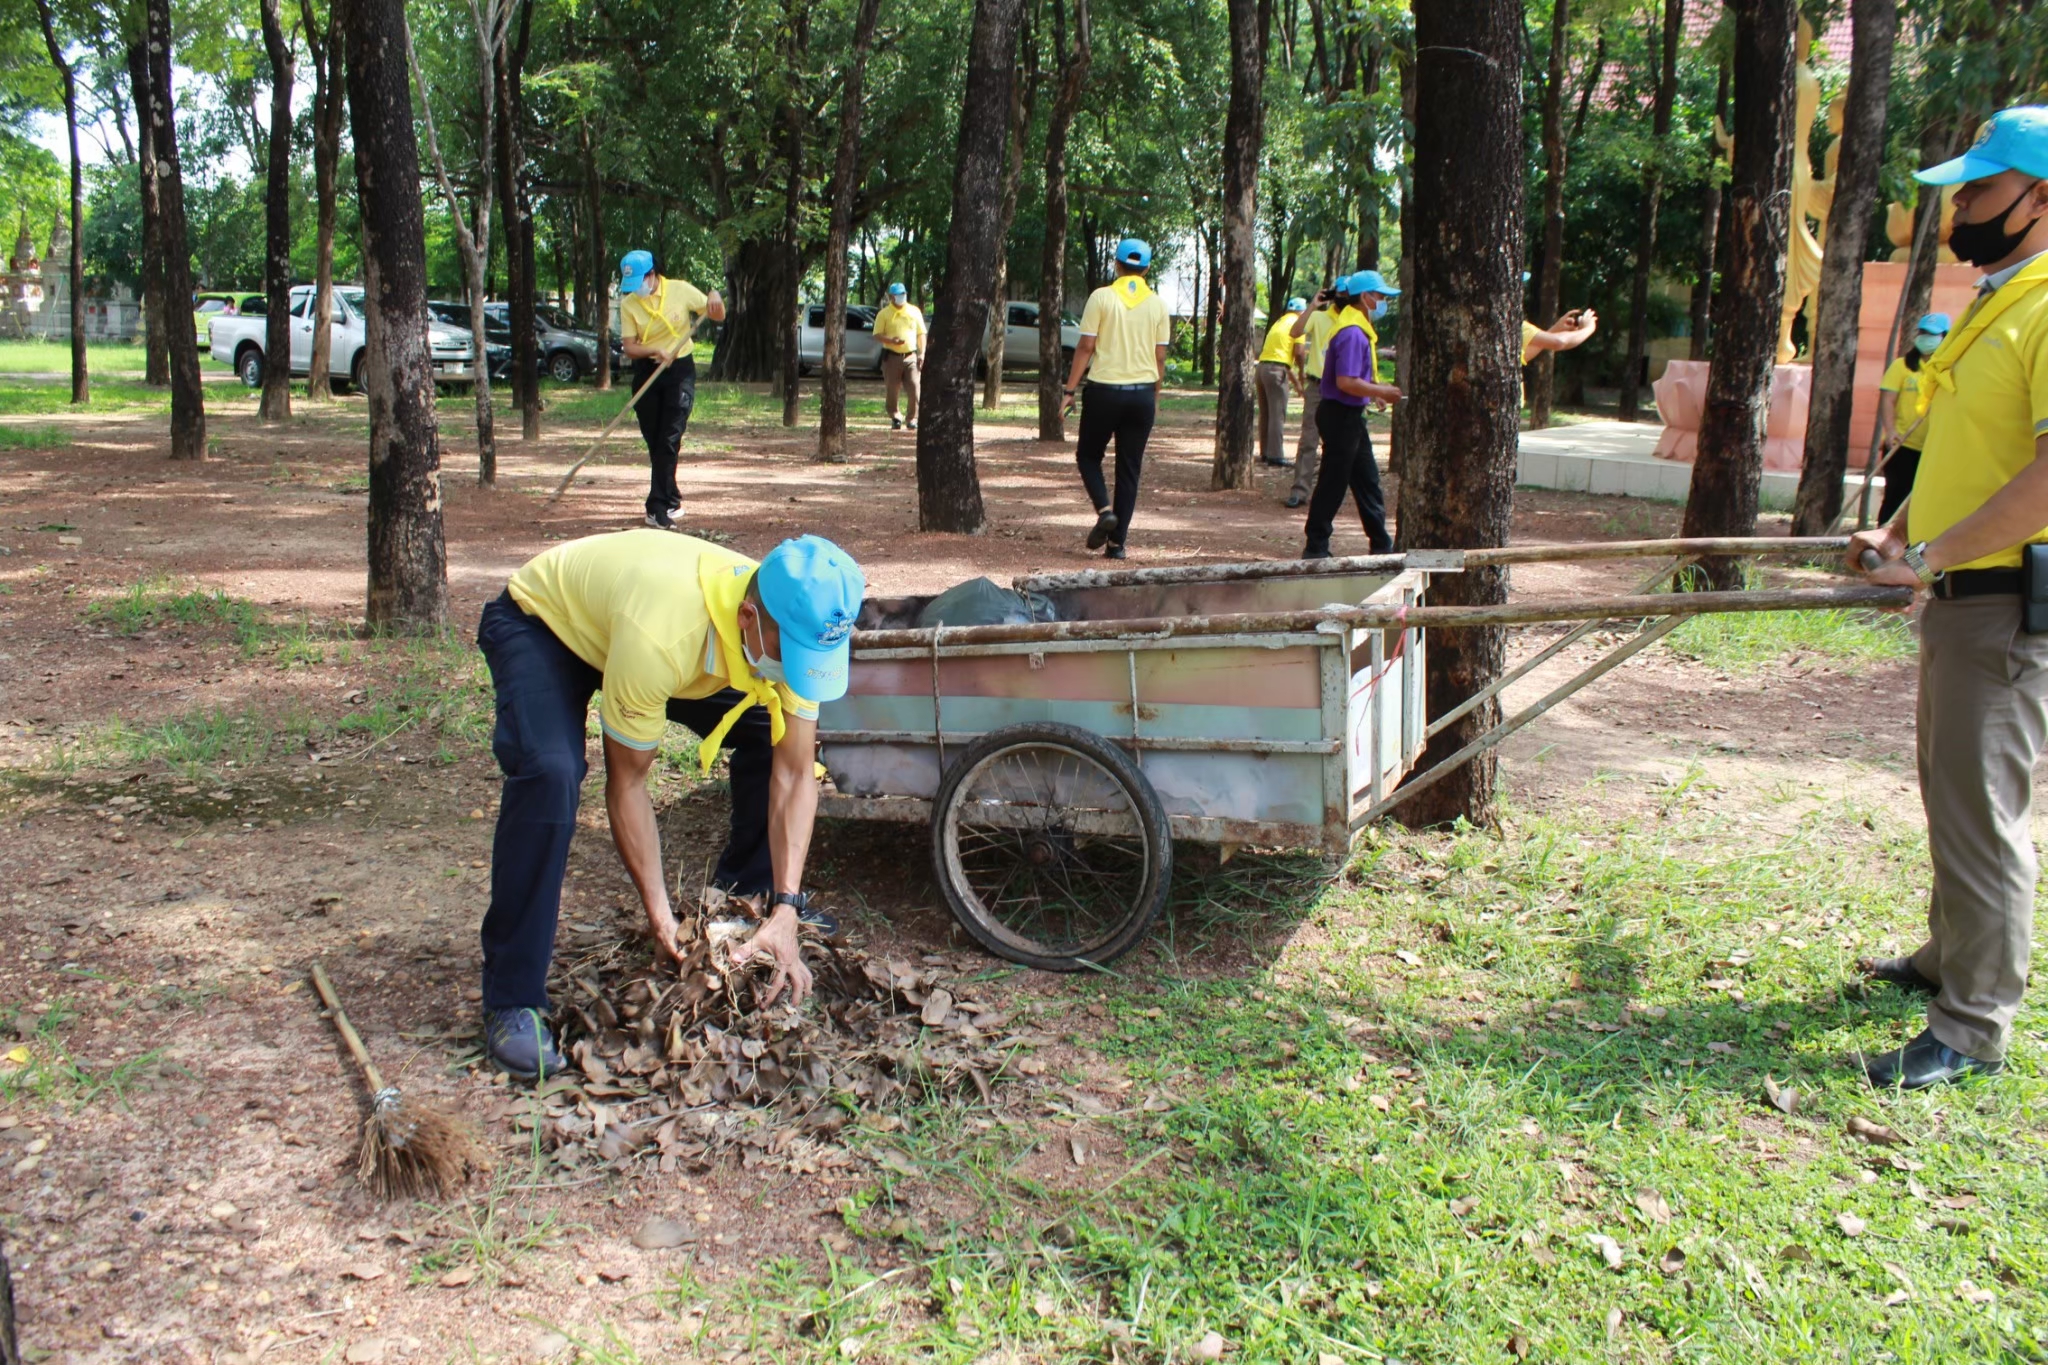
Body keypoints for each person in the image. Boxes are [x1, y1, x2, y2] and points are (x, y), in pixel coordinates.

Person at [473, 529, 865, 1079]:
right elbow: (628, 783)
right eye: (791, 656)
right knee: (550, 773)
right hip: (547, 626)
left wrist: (787, 906)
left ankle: (748, 899)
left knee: (767, 730)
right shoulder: (663, 632)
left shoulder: (797, 620)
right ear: (748, 618)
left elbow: (797, 770)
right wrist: (662, 918)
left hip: (642, 629)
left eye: (812, 659)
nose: (801, 671)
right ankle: (512, 998)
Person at [1849, 105, 2048, 1090]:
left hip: (2004, 600)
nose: (1961, 207)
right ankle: (1945, 959)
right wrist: (1897, 533)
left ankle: (1971, 1024)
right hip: (1963, 594)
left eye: (1980, 189)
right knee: (1951, 790)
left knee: (1983, 810)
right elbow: (1959, 451)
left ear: (2039, 196)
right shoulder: (1996, 301)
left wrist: (1925, 557)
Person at [1061, 236, 1172, 560]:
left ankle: (1105, 510)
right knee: (1129, 469)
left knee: (1088, 456)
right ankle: (1117, 545)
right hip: (1142, 395)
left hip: (1104, 392)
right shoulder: (1158, 305)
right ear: (1147, 269)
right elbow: (1160, 356)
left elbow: (1086, 347)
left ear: (1116, 265)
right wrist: (1156, 394)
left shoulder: (1101, 297)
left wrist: (1069, 390)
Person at [619, 250, 726, 531]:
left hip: (679, 371)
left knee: (669, 437)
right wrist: (655, 349)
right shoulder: (629, 305)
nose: (636, 290)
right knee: (656, 440)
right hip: (647, 371)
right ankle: (672, 496)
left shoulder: (680, 290)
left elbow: (716, 314)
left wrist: (714, 296)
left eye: (639, 282)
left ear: (652, 274)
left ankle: (656, 507)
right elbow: (630, 347)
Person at [1301, 271, 1402, 559]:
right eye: (1380, 296)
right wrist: (1380, 391)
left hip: (1350, 415)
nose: (1383, 302)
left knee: (1367, 480)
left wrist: (1373, 391)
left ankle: (1381, 544)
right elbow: (1346, 381)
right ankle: (1316, 547)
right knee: (1333, 482)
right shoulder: (1352, 333)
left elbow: (1355, 378)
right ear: (1365, 297)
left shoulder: (1356, 328)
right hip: (1340, 416)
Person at [1874, 313, 1954, 522]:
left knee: (1924, 503)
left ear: (1945, 337)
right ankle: (1884, 538)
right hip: (1902, 444)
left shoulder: (1948, 370)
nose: (1926, 338)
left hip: (1932, 448)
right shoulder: (1901, 366)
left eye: (1933, 334)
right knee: (1895, 498)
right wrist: (1891, 431)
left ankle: (1914, 543)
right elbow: (1888, 400)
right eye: (1923, 332)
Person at [1286, 282, 1344, 509]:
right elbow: (1295, 332)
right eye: (1338, 294)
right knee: (1309, 439)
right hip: (1317, 386)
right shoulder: (1319, 318)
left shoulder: (1353, 320)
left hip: (1342, 388)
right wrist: (1313, 306)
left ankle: (1331, 494)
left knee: (1338, 442)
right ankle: (1299, 491)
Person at [1256, 296, 1307, 468]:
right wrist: (1302, 372)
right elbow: (1299, 352)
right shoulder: (1299, 325)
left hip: (1262, 368)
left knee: (1266, 413)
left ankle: (1265, 452)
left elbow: (1281, 359)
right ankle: (1276, 455)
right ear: (1302, 312)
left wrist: (1296, 383)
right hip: (1276, 372)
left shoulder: (1279, 323)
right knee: (1277, 414)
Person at [874, 283, 927, 431]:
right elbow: (877, 335)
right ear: (891, 297)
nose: (901, 297)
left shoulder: (914, 311)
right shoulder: (884, 314)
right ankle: (895, 416)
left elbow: (921, 333)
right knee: (892, 388)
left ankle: (912, 418)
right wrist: (891, 341)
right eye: (898, 295)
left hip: (911, 356)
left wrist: (922, 353)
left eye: (903, 294)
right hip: (891, 357)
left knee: (915, 387)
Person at [1521, 309, 1598, 364]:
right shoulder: (1518, 327)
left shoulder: (1515, 330)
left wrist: (1555, 330)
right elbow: (1559, 342)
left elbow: (1526, 354)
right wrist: (1589, 328)